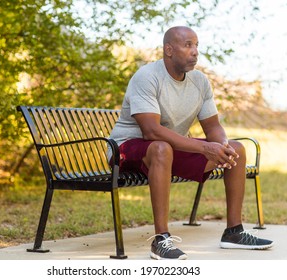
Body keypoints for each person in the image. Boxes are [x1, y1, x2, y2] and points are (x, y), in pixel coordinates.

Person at [109, 26, 274, 260]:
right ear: (168, 50)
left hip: (167, 151)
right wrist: (205, 148)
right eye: (188, 45)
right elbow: (151, 131)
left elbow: (213, 127)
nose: (195, 51)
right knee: (161, 147)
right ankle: (161, 240)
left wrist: (222, 146)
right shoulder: (147, 77)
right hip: (127, 150)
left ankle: (234, 232)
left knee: (237, 149)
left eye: (196, 45)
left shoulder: (200, 81)